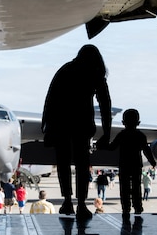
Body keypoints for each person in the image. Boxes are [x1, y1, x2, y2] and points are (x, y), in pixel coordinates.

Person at [42, 44, 112, 220]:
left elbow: (50, 99)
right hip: (82, 125)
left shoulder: (65, 70)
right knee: (82, 165)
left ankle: (67, 201)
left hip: (61, 125)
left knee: (63, 164)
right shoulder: (94, 73)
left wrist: (47, 126)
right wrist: (107, 132)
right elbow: (105, 104)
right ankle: (81, 204)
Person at [105, 109, 156, 221]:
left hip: (124, 164)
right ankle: (138, 206)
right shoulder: (141, 135)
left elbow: (112, 147)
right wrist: (152, 161)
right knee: (136, 186)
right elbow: (146, 149)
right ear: (138, 122)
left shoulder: (121, 135)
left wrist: (102, 144)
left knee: (124, 187)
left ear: (123, 122)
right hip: (136, 164)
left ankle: (126, 207)